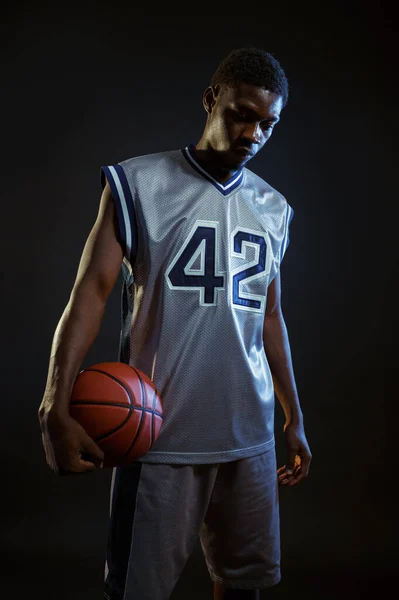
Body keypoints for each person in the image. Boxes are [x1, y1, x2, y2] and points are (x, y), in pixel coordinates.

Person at [38, 47, 312, 600]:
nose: (253, 134)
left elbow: (271, 316)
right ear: (212, 100)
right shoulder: (138, 184)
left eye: (269, 123)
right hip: (158, 433)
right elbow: (89, 293)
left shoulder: (274, 207)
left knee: (243, 587)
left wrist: (293, 417)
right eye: (242, 114)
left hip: (249, 436)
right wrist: (54, 402)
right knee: (138, 591)